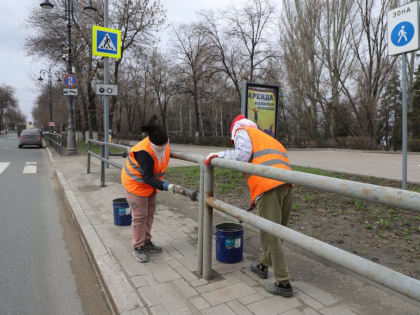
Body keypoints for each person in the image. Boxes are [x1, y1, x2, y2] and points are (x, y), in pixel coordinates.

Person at [204, 114, 294, 297]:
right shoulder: (266, 137)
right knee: (278, 231)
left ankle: (283, 283)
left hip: (268, 186)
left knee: (271, 234)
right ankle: (263, 264)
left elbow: (241, 155)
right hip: (287, 185)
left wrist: (217, 155)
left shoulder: (241, 131)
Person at [121, 115, 183, 263]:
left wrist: (162, 184)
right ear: (151, 142)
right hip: (136, 185)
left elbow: (154, 172)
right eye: (159, 148)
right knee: (140, 216)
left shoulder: (163, 142)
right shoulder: (144, 152)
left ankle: (146, 242)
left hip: (151, 185)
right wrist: (168, 186)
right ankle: (138, 246)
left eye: (165, 145)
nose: (163, 149)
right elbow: (147, 177)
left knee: (149, 214)